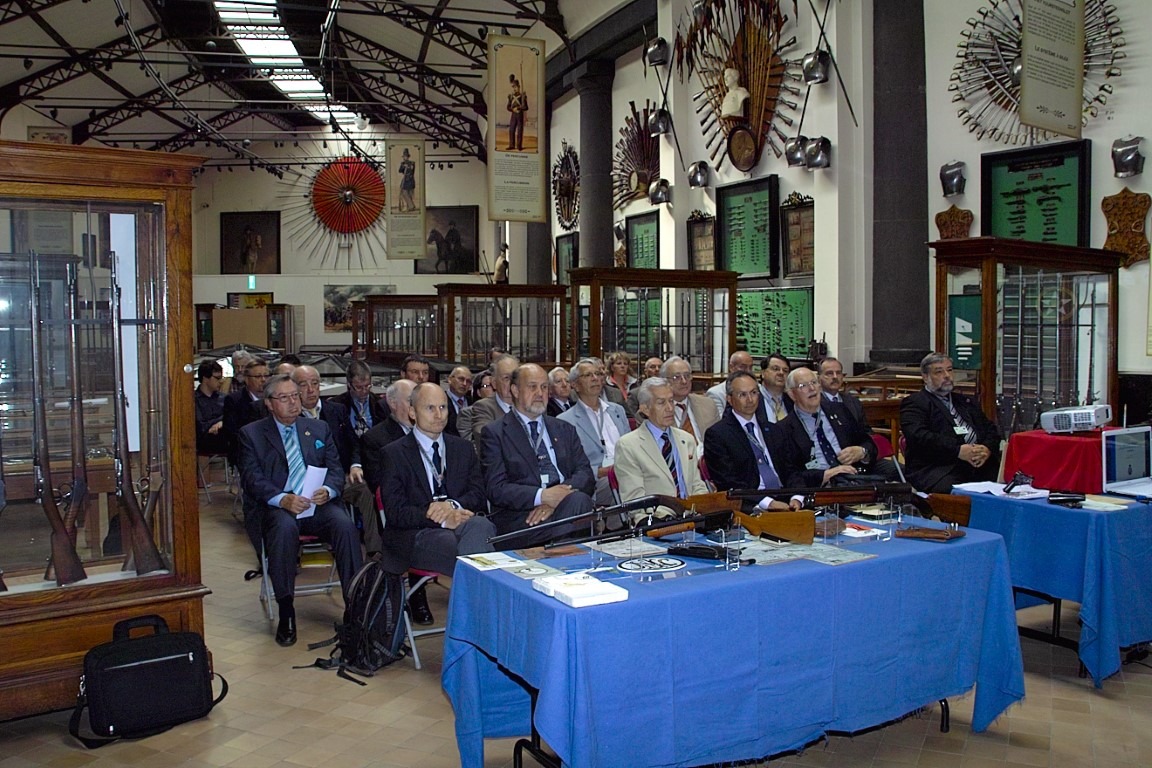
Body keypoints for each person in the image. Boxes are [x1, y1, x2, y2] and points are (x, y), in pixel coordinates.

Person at [238, 375, 363, 647]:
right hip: (278, 507)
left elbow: (335, 468)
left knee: (344, 526)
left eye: (295, 396)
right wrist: (282, 499)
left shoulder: (317, 428)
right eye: (284, 398)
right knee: (284, 529)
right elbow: (252, 478)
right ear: (269, 403)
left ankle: (355, 604)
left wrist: (328, 490)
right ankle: (286, 608)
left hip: (316, 504)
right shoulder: (252, 434)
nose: (293, 403)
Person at [378, 383, 496, 578]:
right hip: (416, 532)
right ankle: (479, 591)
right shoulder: (393, 454)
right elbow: (396, 512)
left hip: (462, 524)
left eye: (443, 407)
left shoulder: (463, 448)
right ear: (413, 412)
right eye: (430, 408)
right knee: (467, 546)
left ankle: (472, 591)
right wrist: (442, 519)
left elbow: (478, 495)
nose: (439, 415)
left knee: (482, 526)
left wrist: (452, 505)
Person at [480, 363, 595, 545]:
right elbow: (497, 489)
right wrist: (542, 496)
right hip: (523, 518)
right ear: (515, 390)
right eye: (532, 387)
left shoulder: (564, 429)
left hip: (567, 504)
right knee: (579, 507)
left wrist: (556, 499)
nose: (540, 393)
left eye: (544, 387)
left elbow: (585, 474)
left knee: (579, 501)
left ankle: (560, 555)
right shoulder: (495, 433)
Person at [291, 365, 379, 554]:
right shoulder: (290, 416)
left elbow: (354, 443)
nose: (310, 390)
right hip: (304, 485)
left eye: (315, 383)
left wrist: (355, 465)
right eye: (303, 385)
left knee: (364, 489)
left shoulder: (336, 410)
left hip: (339, 477)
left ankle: (374, 551)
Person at [901, 353, 1001, 492]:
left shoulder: (965, 401)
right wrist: (957, 451)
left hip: (978, 464)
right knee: (960, 493)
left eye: (949, 370)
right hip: (939, 468)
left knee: (1005, 486)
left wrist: (986, 448)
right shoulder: (916, 403)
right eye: (939, 372)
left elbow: (990, 429)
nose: (947, 375)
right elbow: (919, 436)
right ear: (925, 377)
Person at [613, 377, 709, 522]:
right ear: (645, 409)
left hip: (692, 517)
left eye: (671, 401)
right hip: (657, 520)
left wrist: (705, 507)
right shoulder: (628, 446)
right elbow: (634, 501)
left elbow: (697, 485)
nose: (670, 408)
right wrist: (668, 516)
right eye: (661, 403)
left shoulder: (686, 439)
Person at [703, 372, 800, 512]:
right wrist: (768, 503)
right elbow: (727, 482)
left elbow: (791, 469)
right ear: (729, 399)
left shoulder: (774, 430)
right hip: (751, 505)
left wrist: (796, 497)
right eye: (742, 395)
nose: (750, 400)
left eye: (754, 393)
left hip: (785, 498)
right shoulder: (717, 435)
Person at [776, 367, 877, 488]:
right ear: (792, 394)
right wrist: (825, 475)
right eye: (803, 386)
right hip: (820, 487)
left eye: (814, 382)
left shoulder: (840, 410)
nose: (812, 388)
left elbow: (868, 443)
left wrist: (861, 451)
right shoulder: (783, 429)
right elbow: (790, 476)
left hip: (853, 477)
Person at [558, 359, 632, 508]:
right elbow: (568, 468)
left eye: (598, 374)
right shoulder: (565, 421)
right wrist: (599, 472)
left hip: (627, 470)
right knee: (626, 482)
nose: (595, 378)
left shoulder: (617, 411)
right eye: (588, 375)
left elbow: (632, 446)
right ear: (575, 385)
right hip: (596, 482)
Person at [360, 379, 417, 495]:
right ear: (393, 403)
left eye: (419, 400)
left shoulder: (431, 430)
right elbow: (381, 485)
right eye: (410, 400)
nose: (416, 406)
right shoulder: (374, 439)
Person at [656, 355, 719, 458]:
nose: (684, 381)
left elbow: (719, 440)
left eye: (687, 376)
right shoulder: (655, 410)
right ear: (664, 381)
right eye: (676, 377)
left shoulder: (708, 404)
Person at [222, 358, 269, 471]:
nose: (263, 380)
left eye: (266, 376)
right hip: (246, 450)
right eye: (258, 377)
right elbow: (232, 432)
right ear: (247, 380)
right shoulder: (234, 400)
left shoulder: (274, 398)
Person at [466, 353, 519, 451]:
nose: (512, 383)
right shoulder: (483, 408)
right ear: (494, 383)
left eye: (515, 378)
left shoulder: (528, 405)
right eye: (506, 378)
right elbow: (486, 439)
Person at [333, 360, 388, 440]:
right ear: (349, 384)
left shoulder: (380, 404)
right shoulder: (336, 405)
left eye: (367, 386)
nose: (364, 391)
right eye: (359, 387)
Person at [817, 356, 867, 430]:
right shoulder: (814, 403)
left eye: (838, 373)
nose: (835, 377)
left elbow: (866, 431)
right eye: (829, 373)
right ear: (819, 378)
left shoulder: (854, 402)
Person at [705, 350, 757, 415]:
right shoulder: (716, 393)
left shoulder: (758, 388)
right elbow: (718, 419)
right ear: (731, 367)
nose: (748, 371)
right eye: (743, 367)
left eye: (750, 367)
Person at [195, 360, 227, 455]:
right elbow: (200, 426)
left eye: (221, 378)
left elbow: (232, 417)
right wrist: (220, 421)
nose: (221, 381)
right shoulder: (193, 400)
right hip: (202, 446)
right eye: (217, 378)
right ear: (205, 378)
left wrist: (222, 422)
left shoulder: (224, 398)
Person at [759, 353, 795, 424]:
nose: (781, 373)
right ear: (763, 373)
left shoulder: (793, 401)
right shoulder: (753, 399)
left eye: (785, 370)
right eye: (775, 369)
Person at [445, 365, 473, 437]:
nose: (464, 384)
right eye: (461, 379)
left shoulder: (474, 403)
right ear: (450, 379)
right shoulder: (441, 400)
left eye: (468, 381)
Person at [506, 75, 528, 151]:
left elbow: (526, 107)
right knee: (511, 130)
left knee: (520, 130)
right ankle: (511, 145)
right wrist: (513, 109)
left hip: (520, 115)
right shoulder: (511, 97)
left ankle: (519, 146)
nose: (514, 89)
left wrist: (518, 108)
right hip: (513, 115)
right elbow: (508, 107)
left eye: (516, 87)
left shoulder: (522, 96)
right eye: (513, 87)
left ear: (519, 87)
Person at [398, 147, 416, 212]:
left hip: (410, 180)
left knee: (409, 194)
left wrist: (408, 167)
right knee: (404, 193)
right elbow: (400, 170)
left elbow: (412, 171)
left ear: (408, 157)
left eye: (406, 156)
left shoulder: (412, 163)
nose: (405, 158)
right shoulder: (402, 163)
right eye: (404, 156)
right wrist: (403, 166)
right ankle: (411, 206)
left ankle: (410, 207)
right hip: (405, 180)